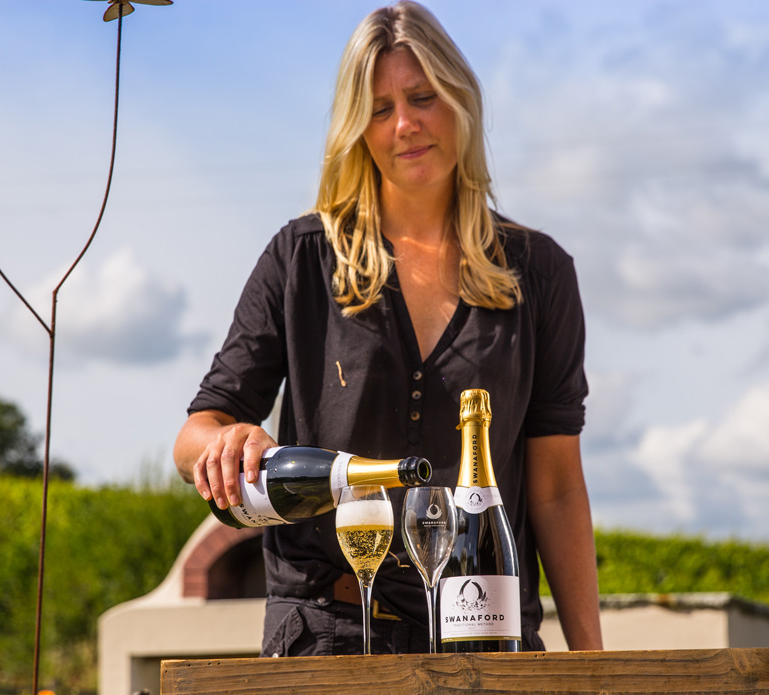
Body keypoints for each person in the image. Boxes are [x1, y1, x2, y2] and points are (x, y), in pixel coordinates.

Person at [174, 0, 603, 656]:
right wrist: (224, 441)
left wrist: (593, 666)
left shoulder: (540, 274)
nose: (405, 124)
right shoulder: (301, 258)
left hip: (485, 636)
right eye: (379, 108)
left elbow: (557, 489)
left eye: (423, 96)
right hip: (326, 639)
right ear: (357, 127)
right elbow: (195, 434)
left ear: (461, 101)